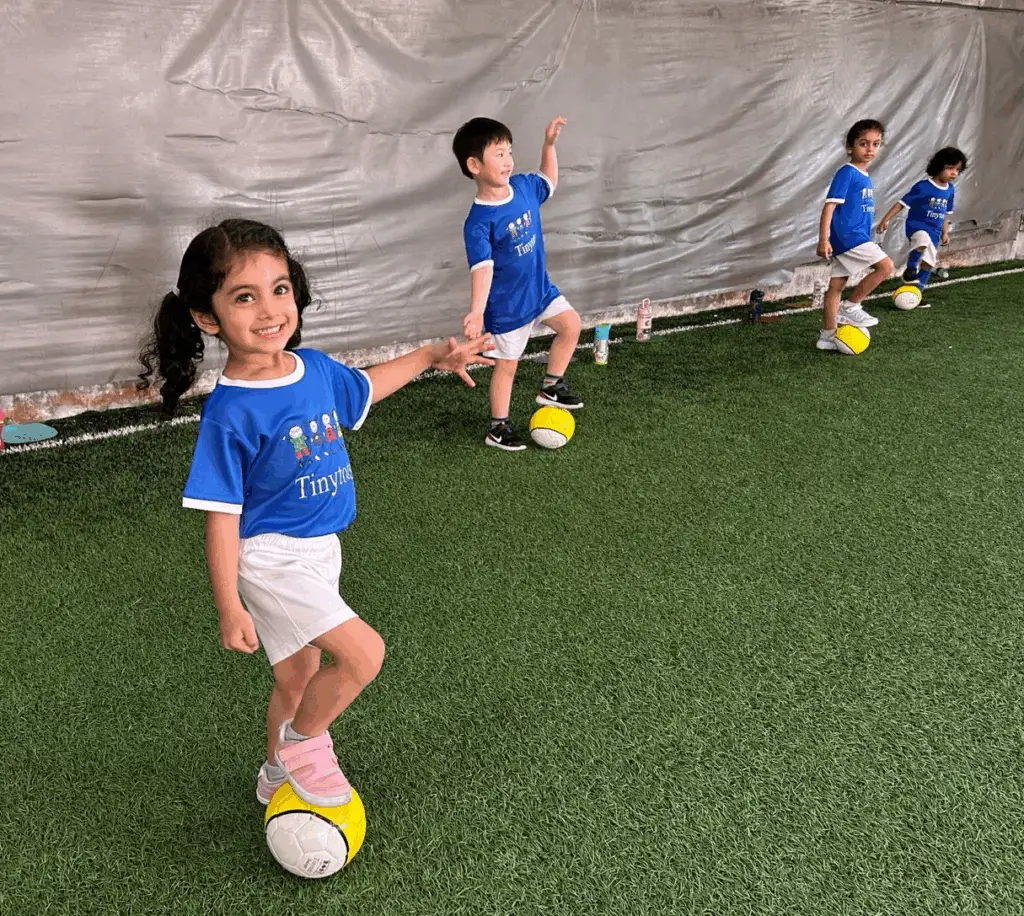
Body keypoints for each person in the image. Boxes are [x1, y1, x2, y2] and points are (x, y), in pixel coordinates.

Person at [138, 219, 493, 806]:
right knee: (364, 654)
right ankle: (306, 744)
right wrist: (229, 606)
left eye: (279, 289)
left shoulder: (314, 368)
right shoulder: (230, 413)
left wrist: (430, 355)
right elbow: (221, 516)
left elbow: (367, 387)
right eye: (244, 297)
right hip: (273, 560)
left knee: (297, 677)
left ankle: (276, 772)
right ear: (207, 316)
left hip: (322, 547)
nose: (270, 309)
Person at [453, 116, 583, 451]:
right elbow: (482, 269)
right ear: (474, 165)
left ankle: (551, 385)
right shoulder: (478, 222)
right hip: (508, 309)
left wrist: (549, 146)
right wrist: (477, 311)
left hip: (540, 291)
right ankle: (498, 427)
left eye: (509, 151)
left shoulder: (524, 187)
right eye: (498, 153)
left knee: (570, 325)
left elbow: (548, 180)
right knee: (506, 368)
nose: (508, 159)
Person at [815, 119, 895, 351]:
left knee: (836, 287)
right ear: (850, 147)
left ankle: (827, 336)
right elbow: (829, 206)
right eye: (863, 144)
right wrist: (823, 239)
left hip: (854, 236)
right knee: (885, 266)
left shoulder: (863, 175)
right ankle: (851, 307)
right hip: (849, 237)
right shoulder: (847, 173)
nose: (870, 149)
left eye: (875, 144)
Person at [876, 146, 967, 302]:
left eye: (957, 170)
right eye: (950, 168)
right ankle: (910, 268)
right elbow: (901, 203)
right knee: (922, 241)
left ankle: (917, 295)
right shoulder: (922, 187)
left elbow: (946, 214)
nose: (954, 173)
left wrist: (945, 232)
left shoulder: (950, 190)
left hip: (935, 232)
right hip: (917, 227)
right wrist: (885, 219)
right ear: (939, 166)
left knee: (928, 263)